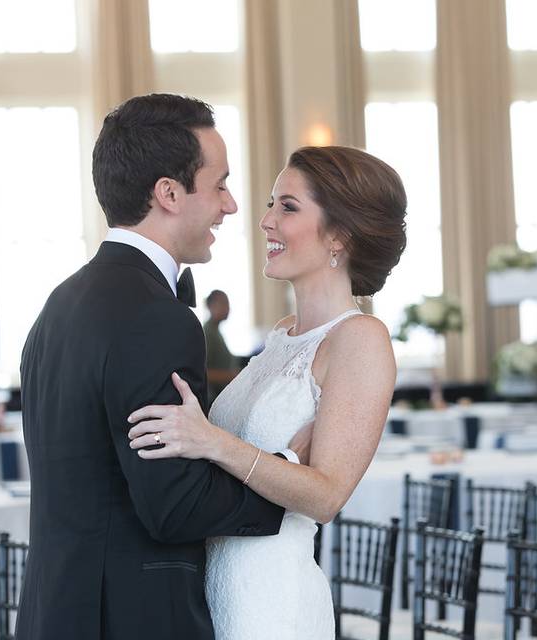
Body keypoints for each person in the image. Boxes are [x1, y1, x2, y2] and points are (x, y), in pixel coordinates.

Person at [15, 94, 307, 640]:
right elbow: (173, 507)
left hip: (56, 612)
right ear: (168, 193)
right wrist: (286, 470)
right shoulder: (157, 318)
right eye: (219, 184)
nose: (232, 205)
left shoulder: (60, 303)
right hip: (131, 617)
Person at [128, 145, 407, 638]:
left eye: (288, 207)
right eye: (271, 203)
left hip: (273, 605)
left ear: (339, 234)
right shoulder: (282, 334)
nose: (266, 221)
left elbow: (325, 497)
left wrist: (213, 442)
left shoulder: (362, 339)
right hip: (214, 593)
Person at [203, 289, 239, 402]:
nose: (228, 308)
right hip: (214, 398)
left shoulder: (216, 331)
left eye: (228, 304)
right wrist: (232, 376)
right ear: (210, 306)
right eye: (223, 303)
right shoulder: (207, 333)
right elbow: (204, 373)